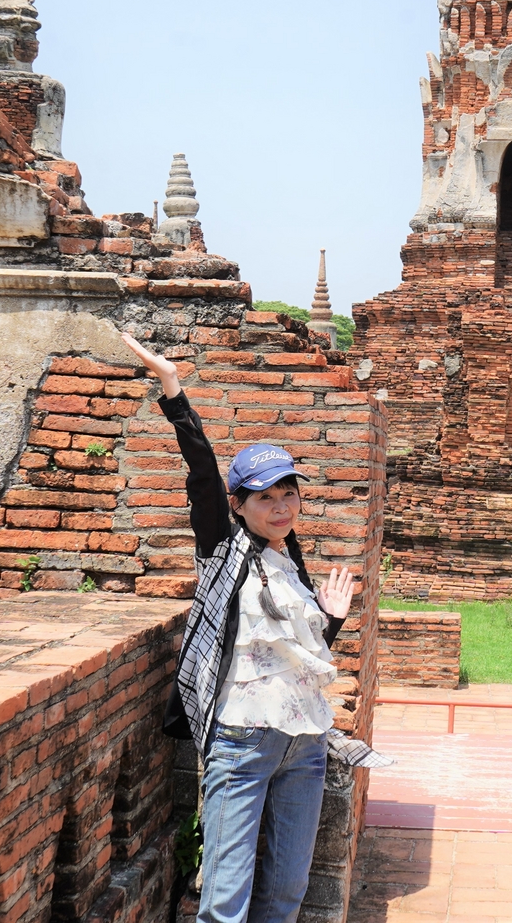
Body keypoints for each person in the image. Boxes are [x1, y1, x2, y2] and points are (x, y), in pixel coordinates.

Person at [121, 333, 356, 923]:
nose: (280, 507)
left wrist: (330, 620)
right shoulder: (222, 551)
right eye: (264, 497)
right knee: (225, 901)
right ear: (238, 505)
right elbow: (202, 470)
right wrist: (172, 387)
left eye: (288, 494)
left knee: (286, 894)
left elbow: (294, 658)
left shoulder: (290, 564)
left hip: (304, 742)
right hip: (243, 739)